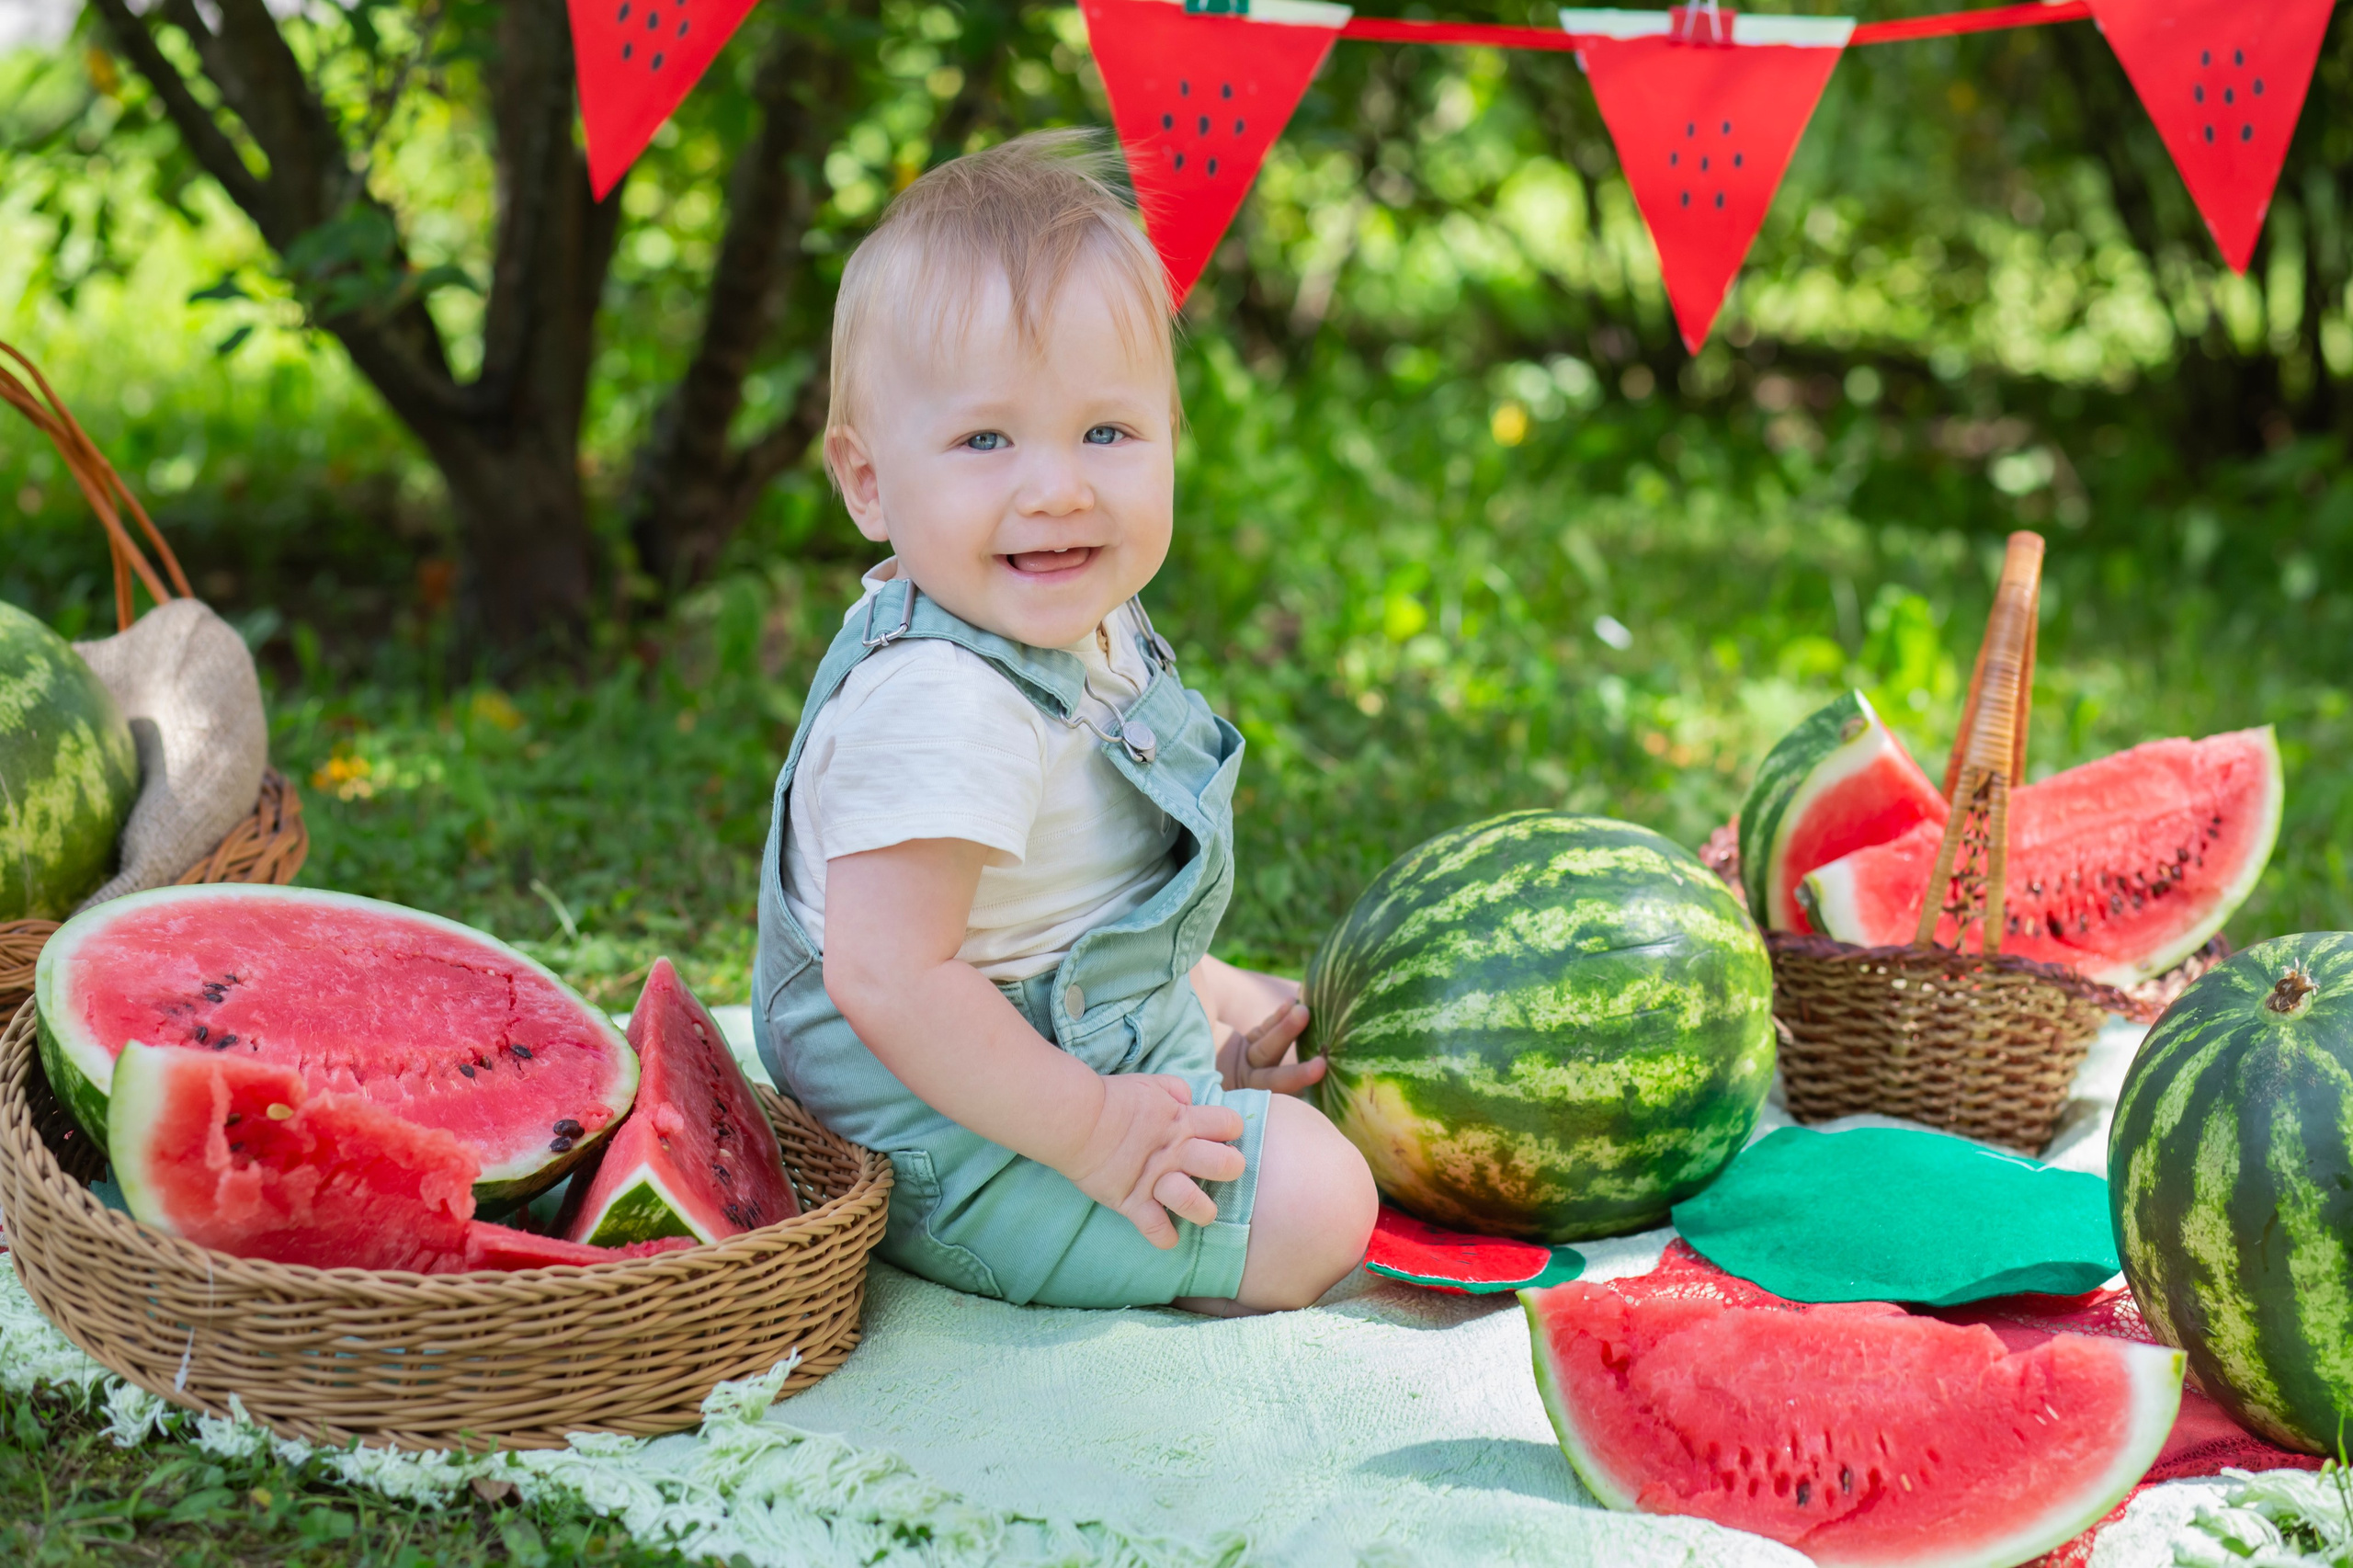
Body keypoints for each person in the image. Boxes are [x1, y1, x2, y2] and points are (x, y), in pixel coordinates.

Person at [752, 131, 1379, 1314]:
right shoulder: (945, 702)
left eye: (1107, 433)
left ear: (1171, 442)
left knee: (1265, 1005)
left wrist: (1195, 1042)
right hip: (951, 1139)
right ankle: (1103, 1199)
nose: (1058, 487)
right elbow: (886, 979)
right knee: (1322, 1200)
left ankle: (1203, 1064)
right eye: (986, 440)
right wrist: (1099, 1135)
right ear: (868, 480)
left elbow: (1073, 906)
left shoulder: (1080, 618)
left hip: (1054, 1019)